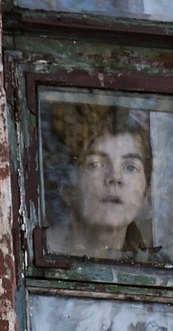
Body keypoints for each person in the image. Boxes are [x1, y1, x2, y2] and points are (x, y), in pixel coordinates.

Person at [45, 106, 153, 258]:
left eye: (130, 167)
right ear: (68, 188)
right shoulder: (38, 252)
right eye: (96, 164)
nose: (115, 177)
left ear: (145, 193)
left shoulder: (157, 266)